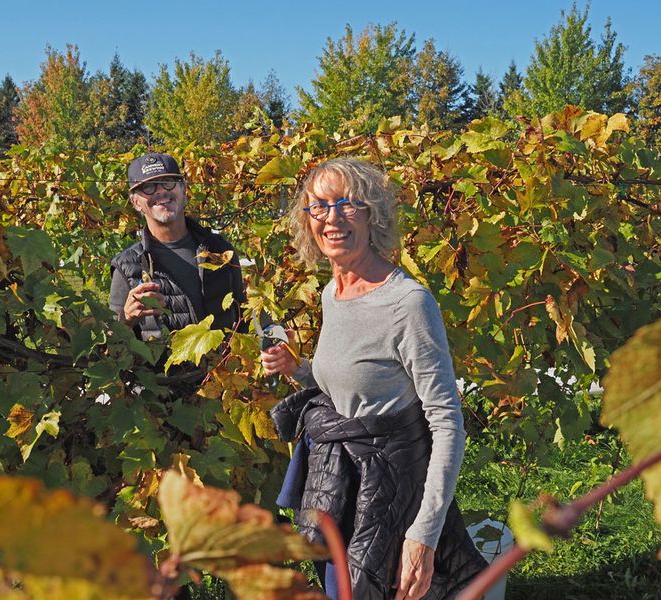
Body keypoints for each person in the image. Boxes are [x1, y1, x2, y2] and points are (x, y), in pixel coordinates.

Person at [262, 158, 486, 599]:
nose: (332, 218)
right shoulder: (333, 291)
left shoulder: (407, 303)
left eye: (347, 203)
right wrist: (300, 370)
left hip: (388, 504)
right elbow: (351, 389)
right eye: (319, 206)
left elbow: (447, 423)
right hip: (338, 491)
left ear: (373, 213)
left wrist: (424, 535)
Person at [109, 153, 245, 341]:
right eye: (148, 187)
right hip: (166, 371)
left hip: (224, 369)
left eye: (168, 182)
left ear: (184, 191)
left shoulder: (220, 251)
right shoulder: (127, 266)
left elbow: (244, 317)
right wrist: (127, 318)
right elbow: (111, 343)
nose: (160, 191)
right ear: (136, 203)